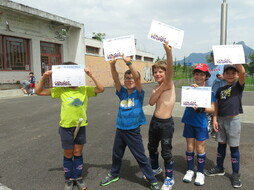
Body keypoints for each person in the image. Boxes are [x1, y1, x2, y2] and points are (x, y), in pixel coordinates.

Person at [35, 62, 105, 190]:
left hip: (80, 126)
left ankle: (77, 177)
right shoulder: (61, 90)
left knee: (78, 152)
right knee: (68, 153)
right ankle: (69, 179)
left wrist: (91, 75)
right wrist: (44, 76)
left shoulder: (84, 89)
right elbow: (38, 91)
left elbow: (101, 89)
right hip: (66, 127)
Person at [99, 56, 160, 190]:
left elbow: (137, 78)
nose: (130, 80)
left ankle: (152, 179)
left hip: (133, 130)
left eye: (132, 78)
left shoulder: (139, 92)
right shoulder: (122, 93)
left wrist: (128, 62)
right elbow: (115, 79)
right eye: (127, 78)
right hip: (120, 129)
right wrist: (112, 65)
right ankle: (114, 174)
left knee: (140, 156)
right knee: (116, 154)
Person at [205, 64, 246, 188]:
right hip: (221, 120)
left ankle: (235, 174)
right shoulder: (219, 90)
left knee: (234, 148)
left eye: (233, 73)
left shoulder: (238, 86)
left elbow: (243, 72)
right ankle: (219, 167)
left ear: (237, 75)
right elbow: (216, 106)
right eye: (227, 73)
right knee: (220, 146)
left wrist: (236, 60)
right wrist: (215, 119)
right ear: (223, 74)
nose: (230, 75)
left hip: (233, 120)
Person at [181, 63, 216, 186]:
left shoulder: (209, 91)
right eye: (197, 74)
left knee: (200, 147)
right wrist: (192, 91)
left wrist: (202, 109)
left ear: (206, 76)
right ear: (194, 75)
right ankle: (190, 170)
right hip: (189, 120)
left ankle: (200, 172)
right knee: (189, 146)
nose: (199, 77)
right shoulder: (191, 88)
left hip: (201, 123)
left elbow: (212, 109)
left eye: (202, 74)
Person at [147, 42, 176, 190]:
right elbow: (151, 102)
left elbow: (170, 68)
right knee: (152, 147)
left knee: (166, 152)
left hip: (166, 124)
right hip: (154, 121)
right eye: (155, 72)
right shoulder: (155, 87)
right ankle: (155, 168)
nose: (158, 74)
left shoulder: (169, 83)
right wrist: (160, 88)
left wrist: (168, 53)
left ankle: (169, 178)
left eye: (161, 72)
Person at [206, 51, 227, 138]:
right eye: (213, 56)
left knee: (219, 112)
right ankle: (210, 130)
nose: (214, 57)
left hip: (221, 92)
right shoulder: (208, 66)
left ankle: (218, 130)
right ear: (211, 57)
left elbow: (234, 77)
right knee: (209, 112)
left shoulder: (224, 65)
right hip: (210, 92)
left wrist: (224, 77)